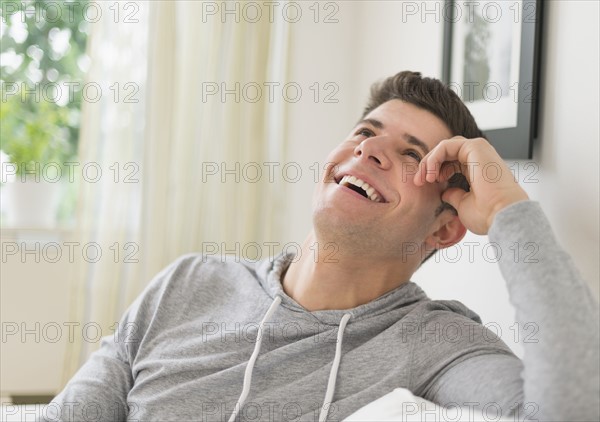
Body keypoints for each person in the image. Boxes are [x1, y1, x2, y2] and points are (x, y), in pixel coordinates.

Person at [40, 71, 599, 421]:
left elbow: (571, 410)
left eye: (412, 156)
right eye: (364, 131)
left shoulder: (438, 342)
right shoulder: (188, 283)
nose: (370, 151)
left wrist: (507, 211)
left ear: (443, 228)